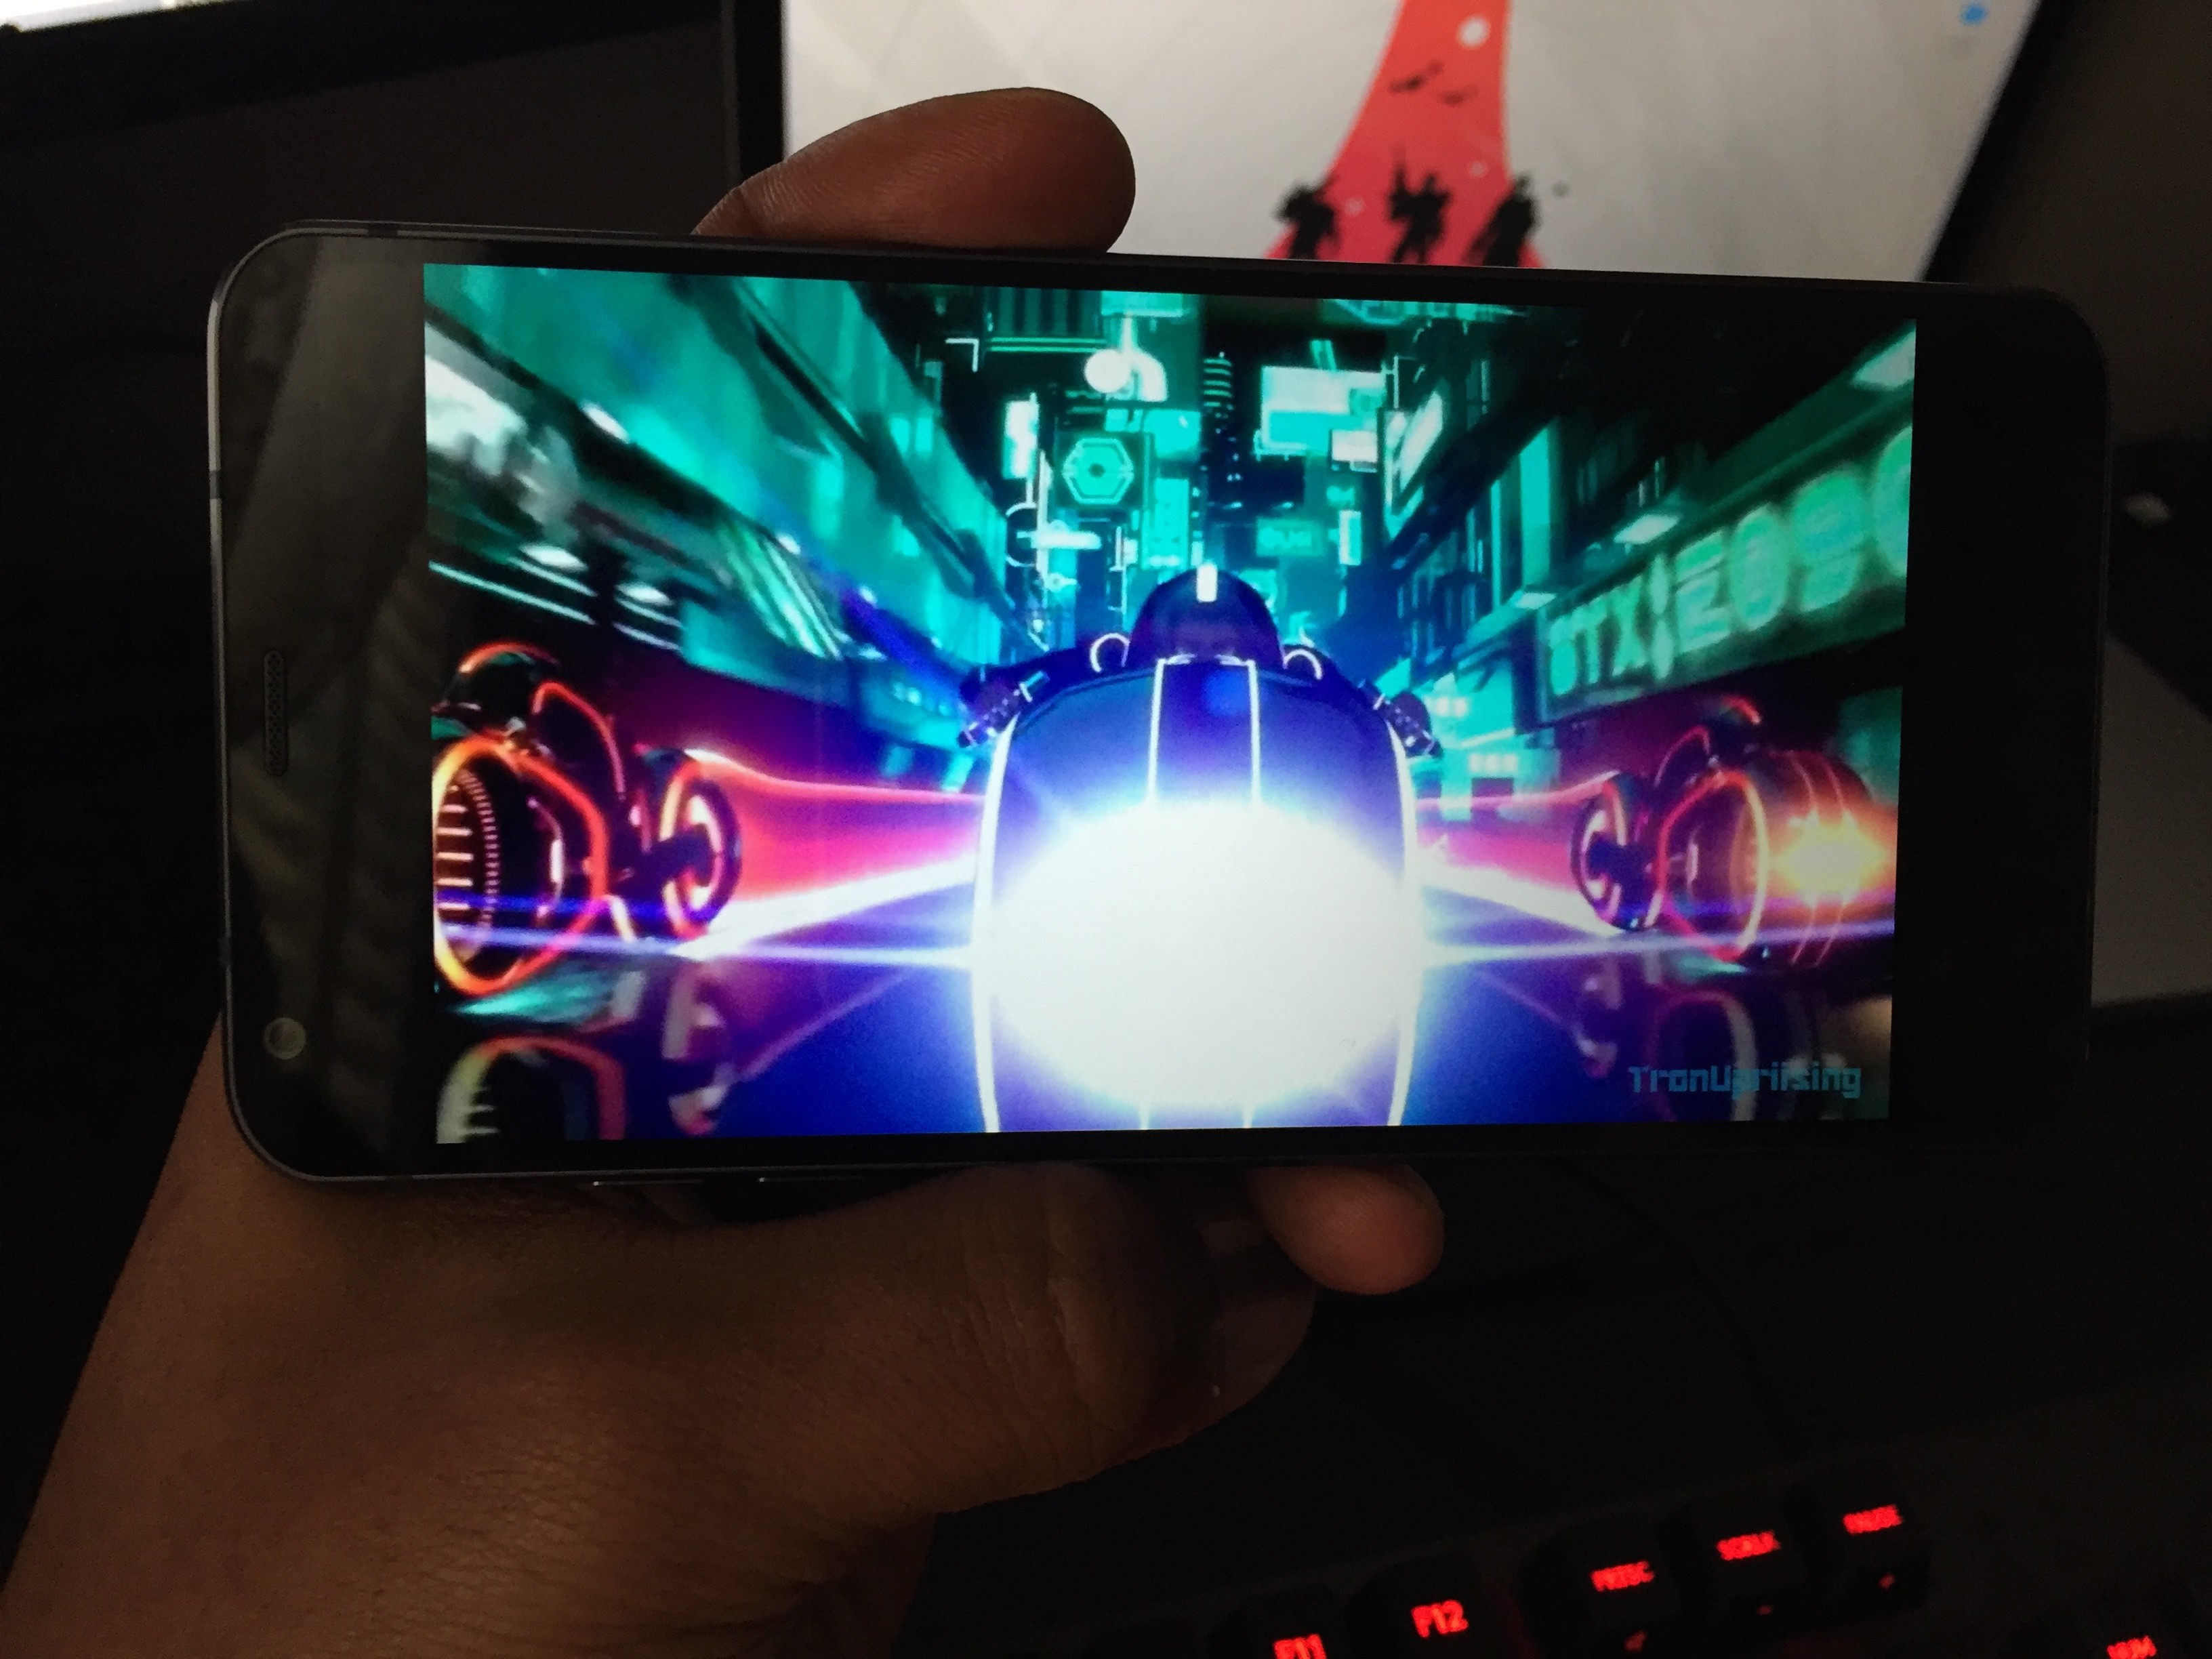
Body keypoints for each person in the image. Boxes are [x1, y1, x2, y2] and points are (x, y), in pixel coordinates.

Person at [0, 89, 1444, 1659]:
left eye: (1223, 624)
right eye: (1191, 622)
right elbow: (1017, 704)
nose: (1208, 632)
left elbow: (1365, 736)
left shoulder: (1322, 704)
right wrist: (1002, 706)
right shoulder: (1086, 691)